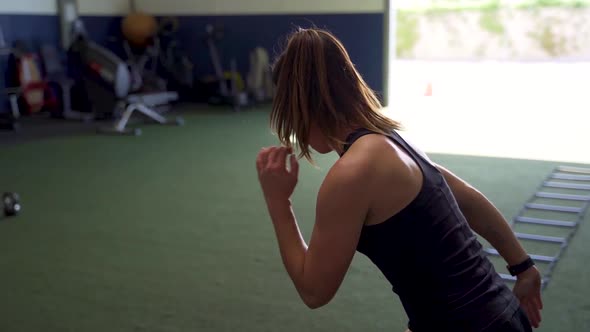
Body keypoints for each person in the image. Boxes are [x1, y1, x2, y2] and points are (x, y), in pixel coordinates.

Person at [255, 27, 543, 332]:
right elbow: (467, 198)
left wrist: (278, 201)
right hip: (500, 313)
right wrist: (523, 267)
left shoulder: (352, 174)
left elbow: (314, 291)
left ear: (302, 108)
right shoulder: (392, 141)